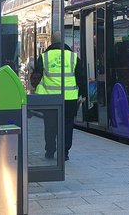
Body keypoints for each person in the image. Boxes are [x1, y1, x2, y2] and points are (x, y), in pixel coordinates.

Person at [35, 31, 86, 161]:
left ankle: (50, 151)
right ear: (64, 41)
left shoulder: (44, 56)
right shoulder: (73, 57)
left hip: (50, 98)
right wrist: (83, 94)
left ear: (52, 41)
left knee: (50, 125)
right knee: (68, 125)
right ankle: (64, 153)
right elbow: (81, 77)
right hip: (69, 99)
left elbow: (36, 77)